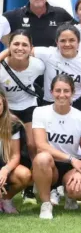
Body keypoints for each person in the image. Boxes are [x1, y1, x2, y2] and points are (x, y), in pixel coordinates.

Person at [0, 25, 81, 121]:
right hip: (49, 103)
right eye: (63, 41)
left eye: (72, 40)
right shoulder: (47, 54)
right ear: (57, 42)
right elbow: (21, 50)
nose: (67, 44)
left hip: (76, 103)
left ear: (78, 42)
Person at [31, 75, 81, 219]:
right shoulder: (40, 112)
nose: (62, 95)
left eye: (66, 91)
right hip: (50, 164)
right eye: (58, 90)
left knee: (80, 191)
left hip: (72, 166)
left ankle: (69, 195)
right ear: (51, 92)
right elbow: (41, 145)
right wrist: (71, 159)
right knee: (42, 158)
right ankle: (46, 204)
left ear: (72, 92)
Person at [0, 30, 45, 203]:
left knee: (34, 145)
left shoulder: (38, 65)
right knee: (10, 149)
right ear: (9, 46)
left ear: (31, 48)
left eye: (25, 44)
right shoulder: (2, 67)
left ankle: (33, 186)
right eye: (16, 44)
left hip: (29, 106)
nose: (20, 48)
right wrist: (5, 52)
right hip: (7, 110)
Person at [0, 90, 33, 214]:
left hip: (5, 165)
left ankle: (6, 199)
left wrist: (4, 170)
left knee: (25, 175)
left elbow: (15, 156)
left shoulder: (13, 123)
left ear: (4, 104)